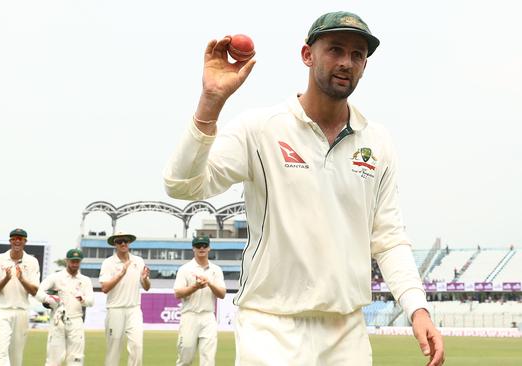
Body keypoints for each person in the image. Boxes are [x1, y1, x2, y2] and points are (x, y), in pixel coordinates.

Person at [163, 11, 444, 366]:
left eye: (358, 55)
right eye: (335, 50)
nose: (346, 62)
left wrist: (417, 308)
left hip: (347, 334)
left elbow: (387, 238)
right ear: (307, 55)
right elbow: (182, 186)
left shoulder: (377, 142)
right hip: (270, 328)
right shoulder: (261, 129)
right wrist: (210, 102)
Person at [0, 228, 40, 366]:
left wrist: (22, 279)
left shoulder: (32, 261)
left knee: (16, 356)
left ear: (25, 241)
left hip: (22, 310)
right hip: (2, 310)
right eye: (14, 238)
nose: (17, 241)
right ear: (10, 241)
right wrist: (6, 278)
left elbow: (34, 290)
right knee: (0, 352)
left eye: (20, 239)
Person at [99, 231, 151, 366]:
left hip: (134, 309)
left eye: (125, 241)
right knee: (114, 349)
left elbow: (146, 287)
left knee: (137, 347)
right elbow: (104, 288)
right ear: (115, 244)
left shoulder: (138, 261)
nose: (123, 243)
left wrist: (145, 279)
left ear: (129, 243)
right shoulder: (108, 263)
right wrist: (121, 273)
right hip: (115, 309)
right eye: (119, 241)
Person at [36, 248, 95, 366]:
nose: (74, 264)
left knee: (76, 359)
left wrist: (83, 300)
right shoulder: (56, 277)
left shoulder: (85, 280)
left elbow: (91, 301)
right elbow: (38, 292)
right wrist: (49, 299)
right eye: (72, 261)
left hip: (76, 320)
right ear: (67, 261)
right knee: (54, 359)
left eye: (77, 261)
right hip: (58, 320)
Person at [174, 235, 226, 366]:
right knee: (185, 358)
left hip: (208, 316)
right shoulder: (185, 269)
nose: (201, 248)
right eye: (198, 246)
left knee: (208, 360)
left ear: (209, 248)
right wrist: (195, 286)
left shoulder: (216, 270)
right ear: (193, 248)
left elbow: (222, 294)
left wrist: (210, 283)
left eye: (204, 245)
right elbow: (178, 293)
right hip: (189, 316)